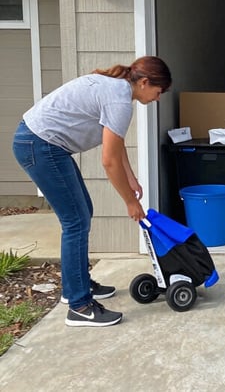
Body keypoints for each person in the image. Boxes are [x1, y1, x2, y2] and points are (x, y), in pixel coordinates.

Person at [12, 56, 172, 328]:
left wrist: (131, 178)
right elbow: (108, 161)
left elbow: (116, 145)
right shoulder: (119, 99)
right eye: (158, 93)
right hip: (39, 145)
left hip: (42, 144)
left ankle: (77, 285)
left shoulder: (118, 88)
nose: (157, 99)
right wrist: (130, 203)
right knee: (76, 221)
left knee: (82, 214)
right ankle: (79, 305)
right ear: (144, 83)